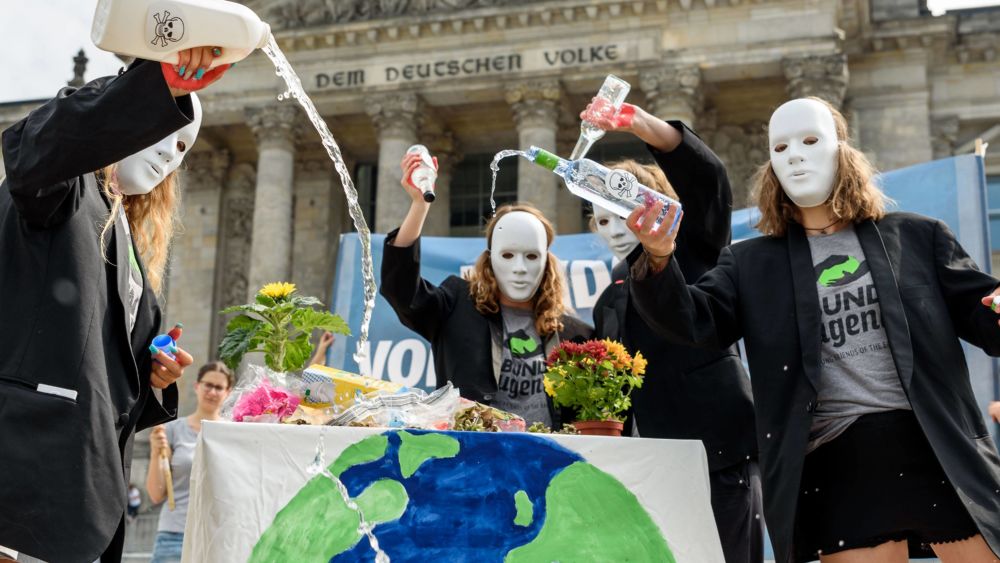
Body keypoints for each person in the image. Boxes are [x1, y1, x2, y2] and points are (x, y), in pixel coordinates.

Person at [625, 97, 1000, 562]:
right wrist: (659, 258)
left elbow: (987, 319)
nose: (796, 156)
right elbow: (694, 321)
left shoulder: (919, 236)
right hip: (837, 462)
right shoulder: (750, 262)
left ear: (842, 150)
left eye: (809, 140)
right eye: (780, 147)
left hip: (937, 446)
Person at [0, 50, 230, 562]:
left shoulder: (125, 235)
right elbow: (36, 144)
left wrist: (155, 375)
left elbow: (103, 374)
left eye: (182, 146)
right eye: (164, 128)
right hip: (22, 487)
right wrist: (154, 87)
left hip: (81, 498)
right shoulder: (64, 185)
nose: (170, 152)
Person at [585, 99, 762, 563]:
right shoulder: (608, 298)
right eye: (603, 217)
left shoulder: (697, 244)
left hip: (717, 452)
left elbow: (709, 180)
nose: (619, 226)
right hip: (650, 465)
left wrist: (640, 124)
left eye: (625, 210)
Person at [381, 157, 591, 427]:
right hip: (474, 457)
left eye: (531, 256)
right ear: (490, 259)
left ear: (546, 260)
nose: (519, 268)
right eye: (507, 254)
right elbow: (401, 289)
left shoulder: (575, 334)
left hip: (548, 461)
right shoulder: (456, 306)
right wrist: (420, 205)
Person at [146, 361, 234, 563]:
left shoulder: (233, 433)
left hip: (219, 536)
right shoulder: (171, 430)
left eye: (219, 387)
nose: (212, 392)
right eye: (208, 385)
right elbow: (155, 493)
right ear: (197, 386)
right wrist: (154, 452)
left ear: (228, 392)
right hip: (175, 535)